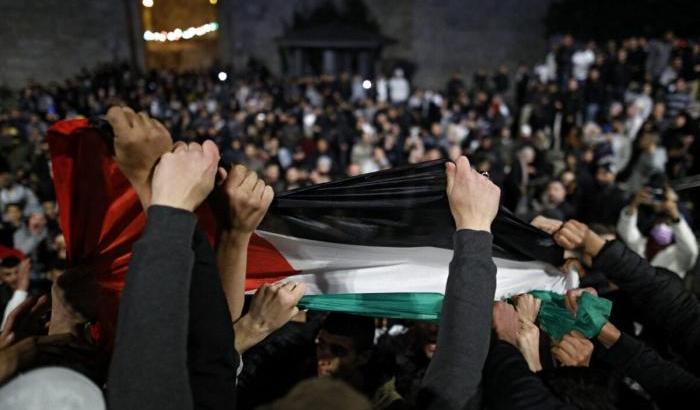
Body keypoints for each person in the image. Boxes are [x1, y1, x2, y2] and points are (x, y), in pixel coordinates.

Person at [617, 186, 698, 277]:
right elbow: (626, 230)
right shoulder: (642, 244)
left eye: (667, 224)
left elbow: (690, 249)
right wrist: (634, 204)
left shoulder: (679, 255)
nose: (662, 226)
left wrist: (674, 214)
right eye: (659, 222)